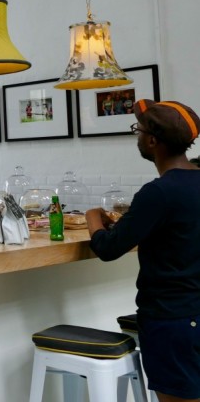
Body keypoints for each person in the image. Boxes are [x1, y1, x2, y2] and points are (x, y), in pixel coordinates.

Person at [85, 99, 200, 402]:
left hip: (172, 321)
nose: (137, 135)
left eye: (139, 129)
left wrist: (92, 217)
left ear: (152, 140)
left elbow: (107, 249)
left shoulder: (159, 192)